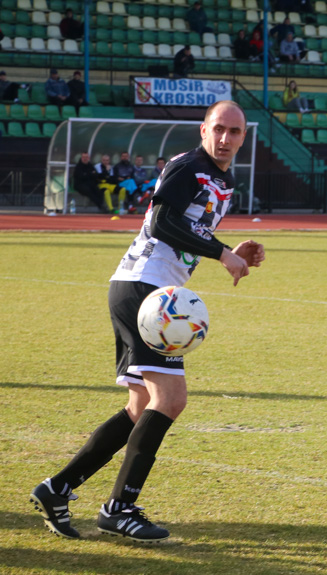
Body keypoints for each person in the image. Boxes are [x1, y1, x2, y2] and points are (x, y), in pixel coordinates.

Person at [29, 100, 265, 542]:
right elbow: (161, 223)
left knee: (141, 406)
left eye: (235, 132)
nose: (226, 139)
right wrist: (221, 253)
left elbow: (187, 230)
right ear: (203, 129)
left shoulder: (221, 179)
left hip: (141, 288)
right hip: (146, 290)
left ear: (243, 137)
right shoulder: (190, 166)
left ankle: (57, 488)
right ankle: (118, 507)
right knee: (171, 399)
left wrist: (230, 249)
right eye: (219, 129)